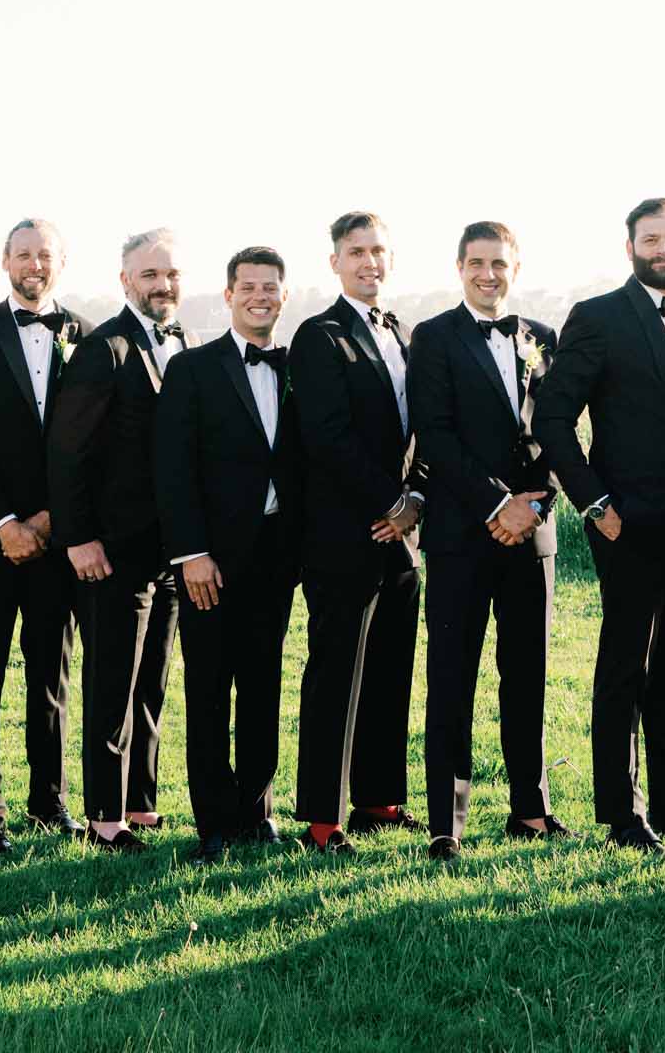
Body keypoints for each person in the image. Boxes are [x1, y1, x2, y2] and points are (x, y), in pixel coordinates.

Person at [534, 197, 665, 855]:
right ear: (629, 248)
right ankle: (622, 814)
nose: (664, 249)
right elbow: (553, 419)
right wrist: (594, 503)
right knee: (626, 664)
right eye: (651, 239)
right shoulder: (598, 318)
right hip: (626, 522)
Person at [407, 220, 566, 859]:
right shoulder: (435, 338)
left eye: (498, 263)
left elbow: (557, 429)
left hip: (532, 537)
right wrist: (497, 503)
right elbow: (435, 434)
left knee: (526, 674)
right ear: (459, 267)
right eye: (476, 263)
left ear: (516, 267)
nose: (487, 274)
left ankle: (530, 809)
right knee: (452, 676)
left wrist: (536, 501)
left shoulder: (543, 340)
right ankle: (447, 821)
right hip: (459, 535)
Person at [152, 246, 306, 866]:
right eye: (248, 287)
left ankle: (257, 811)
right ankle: (212, 821)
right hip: (209, 559)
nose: (260, 296)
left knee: (264, 683)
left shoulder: (298, 366)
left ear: (284, 295)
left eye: (270, 287)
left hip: (277, 552)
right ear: (228, 295)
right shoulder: (193, 369)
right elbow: (173, 468)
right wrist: (191, 553)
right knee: (211, 687)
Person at [0, 218, 89, 853]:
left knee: (50, 673)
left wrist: (50, 519)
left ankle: (49, 801)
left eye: (46, 255)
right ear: (4, 261)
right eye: (24, 255)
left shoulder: (84, 334)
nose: (35, 265)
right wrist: (5, 524)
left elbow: (92, 440)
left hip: (58, 538)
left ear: (62, 261)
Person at [48, 227, 198, 852]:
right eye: (149, 276)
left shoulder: (182, 343)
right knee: (113, 680)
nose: (162, 286)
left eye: (170, 276)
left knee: (153, 682)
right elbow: (67, 453)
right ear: (125, 281)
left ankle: (140, 803)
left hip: (167, 552)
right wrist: (79, 538)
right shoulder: (103, 350)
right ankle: (104, 816)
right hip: (110, 552)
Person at [289, 212, 425, 854]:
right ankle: (322, 815)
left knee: (392, 665)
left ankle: (378, 799)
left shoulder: (403, 333)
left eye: (377, 251)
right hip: (346, 532)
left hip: (402, 534)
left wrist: (416, 499)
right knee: (337, 669)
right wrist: (391, 501)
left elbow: (422, 428)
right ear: (335, 262)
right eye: (355, 252)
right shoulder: (321, 336)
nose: (368, 261)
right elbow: (327, 437)